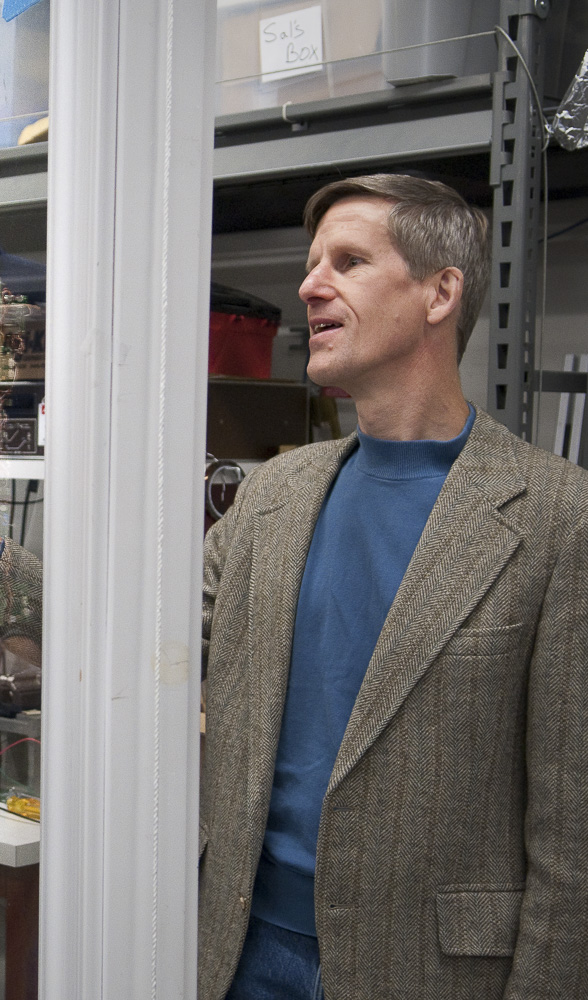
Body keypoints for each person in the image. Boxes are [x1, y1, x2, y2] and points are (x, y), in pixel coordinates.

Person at [199, 174, 588, 999]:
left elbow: (573, 839)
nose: (308, 286)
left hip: (429, 971)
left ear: (440, 291)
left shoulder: (559, 518)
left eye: (348, 260)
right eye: (311, 264)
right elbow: (157, 641)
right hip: (239, 948)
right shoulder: (276, 494)